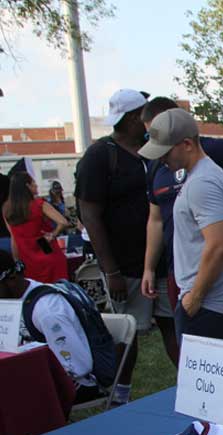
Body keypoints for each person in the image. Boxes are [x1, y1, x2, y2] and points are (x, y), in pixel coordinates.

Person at [75, 89, 175, 401]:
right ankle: (119, 394)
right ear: (132, 118)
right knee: (128, 334)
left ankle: (192, 385)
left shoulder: (155, 151)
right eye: (142, 115)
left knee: (173, 325)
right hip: (126, 264)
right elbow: (89, 214)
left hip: (164, 262)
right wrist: (111, 270)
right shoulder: (100, 155)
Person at [139, 108, 223, 348]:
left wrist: (193, 299)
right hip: (209, 299)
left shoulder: (202, 182)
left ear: (186, 144)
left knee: (208, 383)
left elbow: (218, 246)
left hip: (207, 302)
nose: (161, 160)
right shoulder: (203, 175)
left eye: (165, 152)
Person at [0, 250, 117, 405]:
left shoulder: (48, 311)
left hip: (78, 383)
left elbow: (79, 367)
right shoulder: (15, 297)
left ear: (12, 279)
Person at [3, 172, 69, 283]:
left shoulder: (7, 210)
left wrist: (16, 260)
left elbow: (14, 238)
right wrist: (52, 234)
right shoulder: (39, 204)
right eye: (33, 182)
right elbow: (63, 222)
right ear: (27, 186)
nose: (36, 185)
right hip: (44, 247)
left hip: (27, 258)